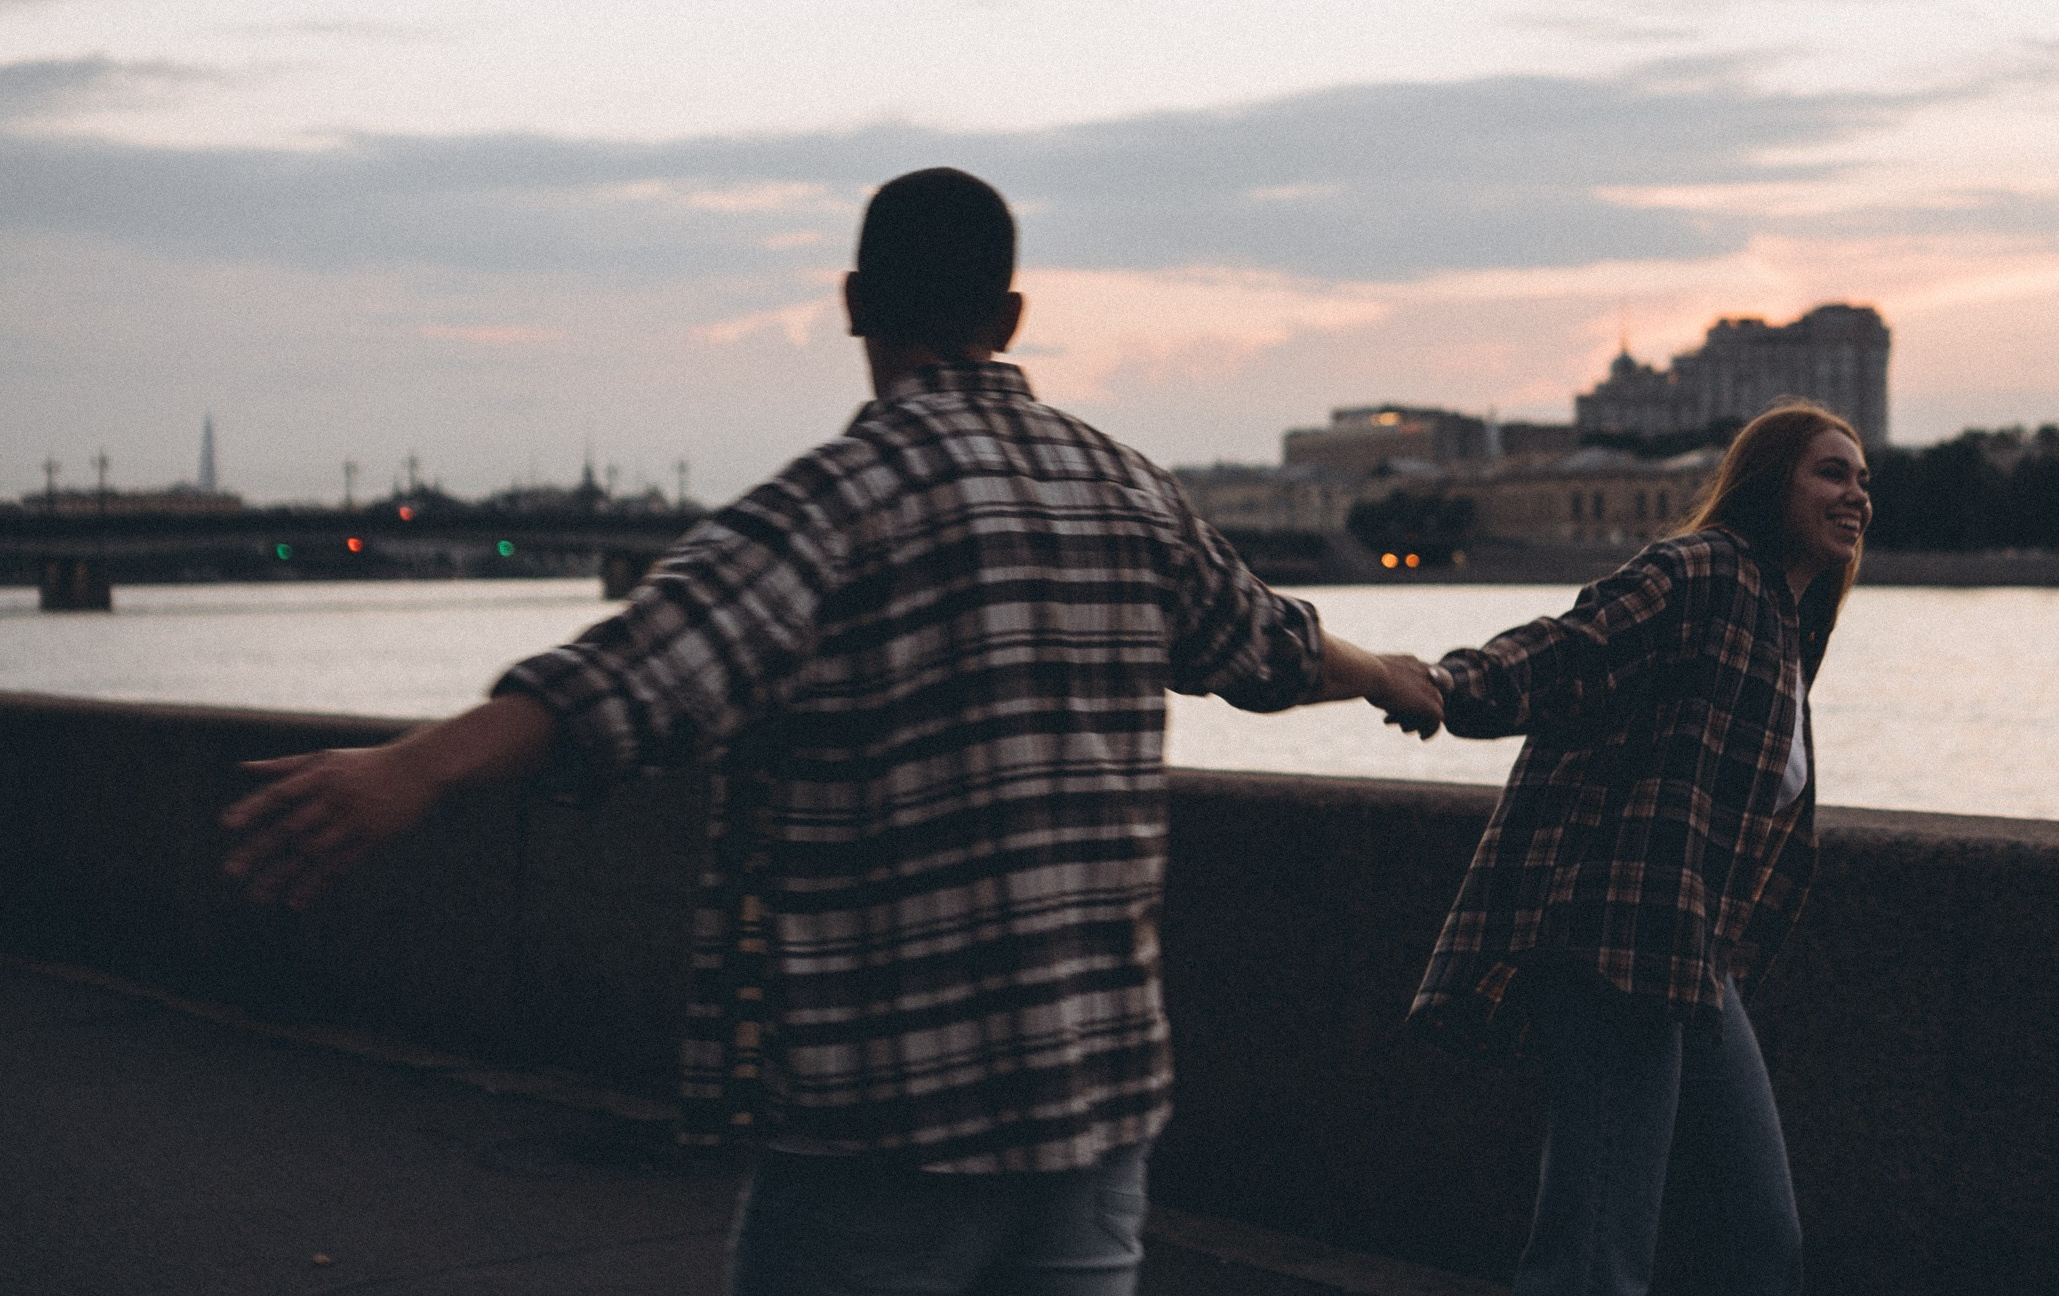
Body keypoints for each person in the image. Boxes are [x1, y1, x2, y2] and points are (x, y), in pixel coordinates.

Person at [221, 166, 1447, 1296]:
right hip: (1093, 1098)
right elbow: (1271, 649)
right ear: (1010, 317)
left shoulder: (826, 505)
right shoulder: (1126, 488)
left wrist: (411, 768)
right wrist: (1386, 672)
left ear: (854, 302)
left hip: (886, 1121)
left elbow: (626, 682)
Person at [1404, 404, 1872, 1296]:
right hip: (1616, 936)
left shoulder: (1788, 624)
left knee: (1759, 1239)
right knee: (1591, 1256)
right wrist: (1443, 685)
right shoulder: (1705, 569)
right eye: (1831, 472)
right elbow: (1573, 651)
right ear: (1771, 483)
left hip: (1691, 953)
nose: (1855, 494)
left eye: (1861, 479)